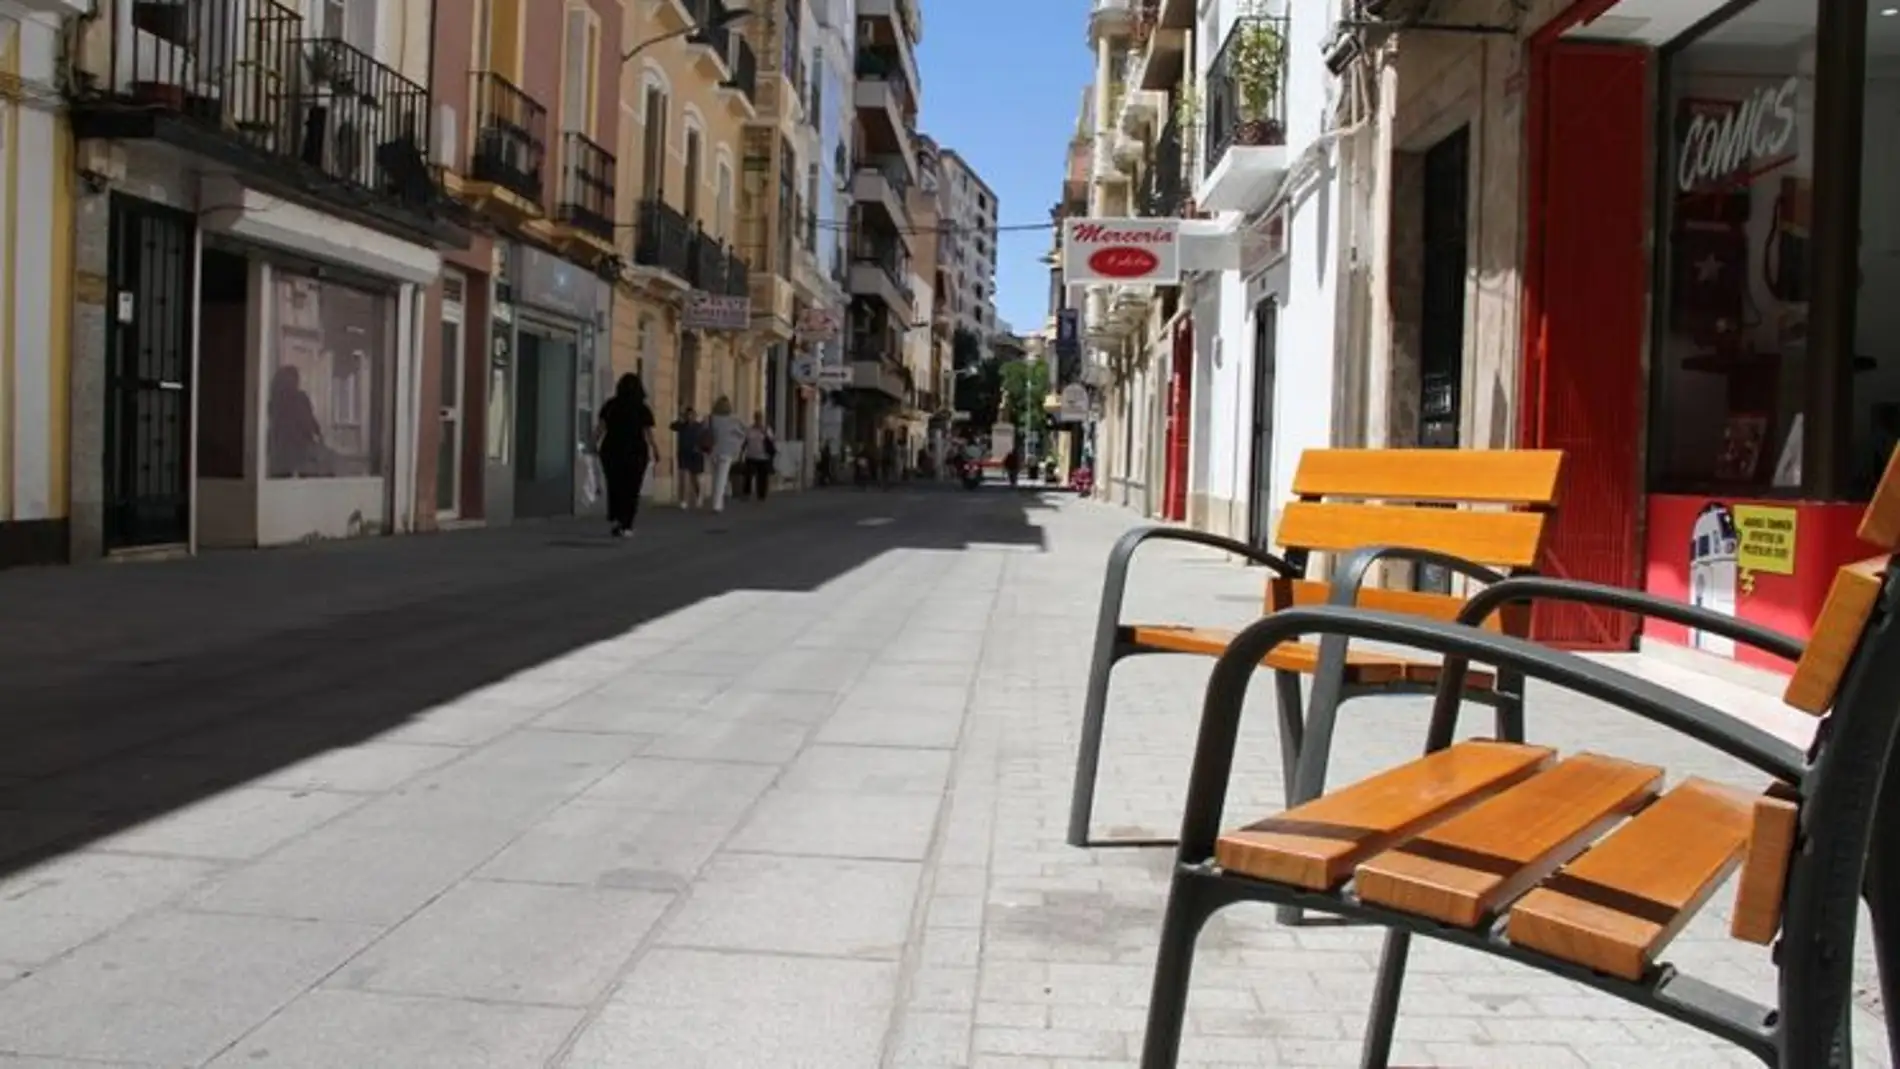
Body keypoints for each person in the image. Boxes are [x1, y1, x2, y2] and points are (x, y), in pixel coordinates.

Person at [593, 373, 658, 538]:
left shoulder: (611, 405)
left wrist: (592, 443)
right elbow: (647, 433)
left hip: (612, 450)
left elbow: (600, 428)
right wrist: (655, 449)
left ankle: (616, 518)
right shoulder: (642, 408)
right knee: (632, 488)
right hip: (636, 452)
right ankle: (627, 524)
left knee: (615, 485)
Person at [705, 395, 748, 512]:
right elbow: (743, 432)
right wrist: (737, 445)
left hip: (712, 451)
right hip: (726, 451)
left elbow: (704, 431)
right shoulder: (733, 419)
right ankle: (717, 504)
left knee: (715, 477)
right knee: (721, 478)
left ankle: (715, 500)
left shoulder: (710, 418)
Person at [669, 405, 706, 509]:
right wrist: (679, 419)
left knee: (695, 478)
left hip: (696, 454)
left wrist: (701, 448)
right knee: (683, 476)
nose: (689, 417)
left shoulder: (699, 426)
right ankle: (683, 500)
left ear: (694, 416)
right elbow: (672, 426)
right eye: (687, 415)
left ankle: (699, 495)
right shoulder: (682, 425)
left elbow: (704, 439)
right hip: (684, 453)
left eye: (691, 415)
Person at [741, 412, 776, 501]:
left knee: (762, 477)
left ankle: (761, 495)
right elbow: (745, 441)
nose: (758, 420)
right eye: (756, 418)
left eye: (759, 418)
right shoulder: (749, 430)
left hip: (763, 457)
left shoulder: (766, 429)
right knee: (748, 475)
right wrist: (742, 452)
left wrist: (765, 434)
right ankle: (746, 493)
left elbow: (771, 441)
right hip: (751, 455)